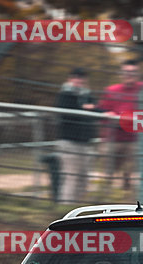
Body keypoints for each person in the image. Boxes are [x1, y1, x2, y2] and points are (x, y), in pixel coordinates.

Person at [98, 60, 143, 190]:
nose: (129, 75)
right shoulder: (111, 90)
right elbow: (102, 111)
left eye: (133, 72)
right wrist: (109, 115)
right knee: (109, 172)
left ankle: (131, 197)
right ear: (121, 74)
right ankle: (105, 195)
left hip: (134, 139)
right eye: (126, 72)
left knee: (131, 171)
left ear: (138, 74)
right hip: (113, 138)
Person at [55, 67, 96, 202]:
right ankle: (65, 208)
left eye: (81, 77)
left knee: (83, 179)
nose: (78, 80)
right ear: (70, 79)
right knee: (71, 178)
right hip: (70, 142)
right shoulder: (65, 94)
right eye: (75, 77)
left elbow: (95, 108)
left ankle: (77, 208)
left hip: (85, 142)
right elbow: (66, 112)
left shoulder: (86, 94)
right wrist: (84, 108)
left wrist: (105, 112)